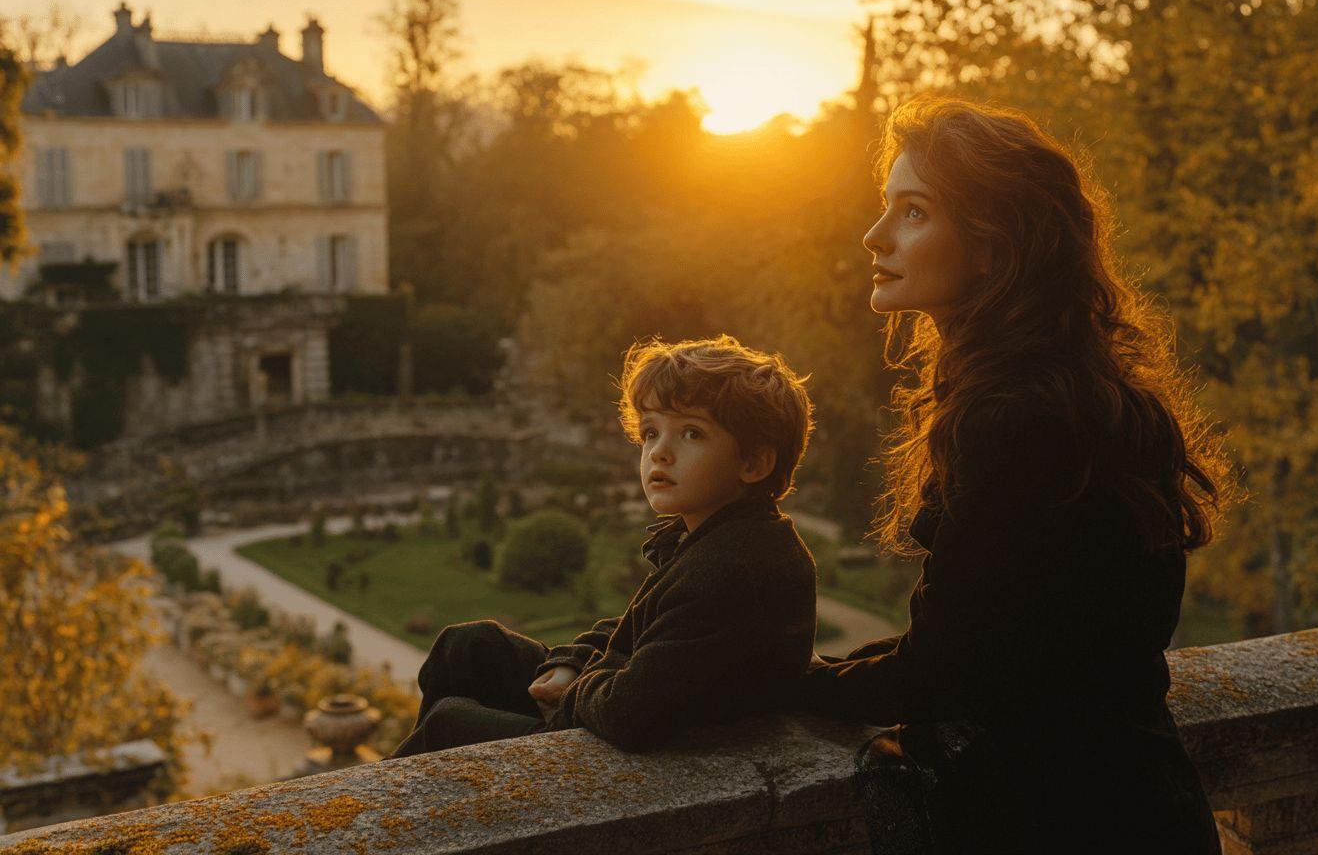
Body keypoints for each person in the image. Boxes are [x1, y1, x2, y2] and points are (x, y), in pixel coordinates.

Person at [789, 96, 1232, 853]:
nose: (874, 235)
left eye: (914, 213)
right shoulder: (1100, 399)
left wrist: (775, 684)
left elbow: (940, 675)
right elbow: (993, 643)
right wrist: (824, 668)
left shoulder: (1014, 424)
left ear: (995, 246)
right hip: (1152, 811)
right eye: (885, 207)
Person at [390, 334, 817, 756]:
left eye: (691, 434)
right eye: (650, 433)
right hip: (614, 711)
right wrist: (572, 660)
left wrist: (577, 684)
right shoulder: (718, 536)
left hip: (646, 760)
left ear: (753, 463)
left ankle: (387, 810)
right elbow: (645, 629)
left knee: (450, 722)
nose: (659, 453)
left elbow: (630, 712)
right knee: (468, 645)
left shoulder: (735, 566)